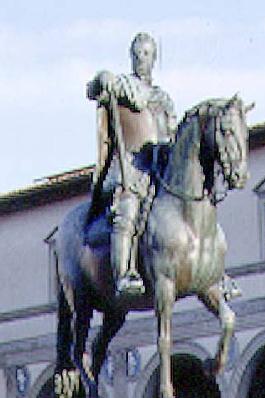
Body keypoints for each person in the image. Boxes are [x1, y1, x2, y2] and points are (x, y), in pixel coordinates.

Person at [87, 32, 177, 296]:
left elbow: (171, 133)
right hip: (129, 168)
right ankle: (123, 274)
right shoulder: (121, 85)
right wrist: (103, 78)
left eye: (146, 54)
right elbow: (93, 90)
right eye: (136, 54)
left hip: (159, 167)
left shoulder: (163, 99)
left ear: (154, 59)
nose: (141, 59)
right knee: (126, 212)